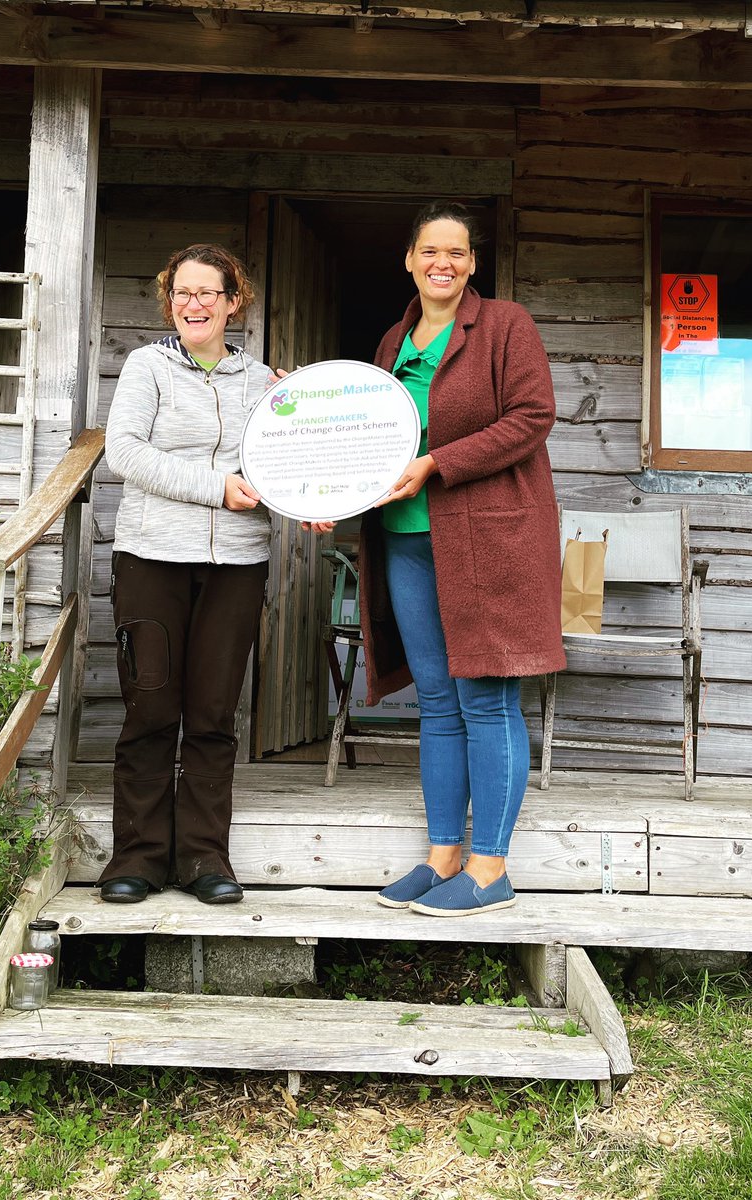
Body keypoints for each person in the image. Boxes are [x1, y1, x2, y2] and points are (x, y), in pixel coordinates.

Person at [310, 201, 566, 916]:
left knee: (486, 697)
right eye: (429, 252)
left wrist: (437, 463)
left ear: (473, 263)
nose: (442, 264)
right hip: (406, 539)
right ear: (410, 260)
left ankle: (490, 869)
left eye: (455, 252)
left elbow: (531, 417)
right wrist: (328, 489)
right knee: (438, 703)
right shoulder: (393, 339)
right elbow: (370, 435)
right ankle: (443, 854)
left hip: (487, 540)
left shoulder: (506, 325)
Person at [98, 243, 276, 906]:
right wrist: (214, 488)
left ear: (235, 302)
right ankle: (137, 858)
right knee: (151, 708)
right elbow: (125, 453)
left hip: (237, 564)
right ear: (169, 302)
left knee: (210, 714)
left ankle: (205, 857)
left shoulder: (262, 383)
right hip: (151, 559)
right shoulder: (147, 367)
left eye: (208, 293)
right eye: (182, 293)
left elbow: (278, 465)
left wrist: (313, 500)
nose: (193, 304)